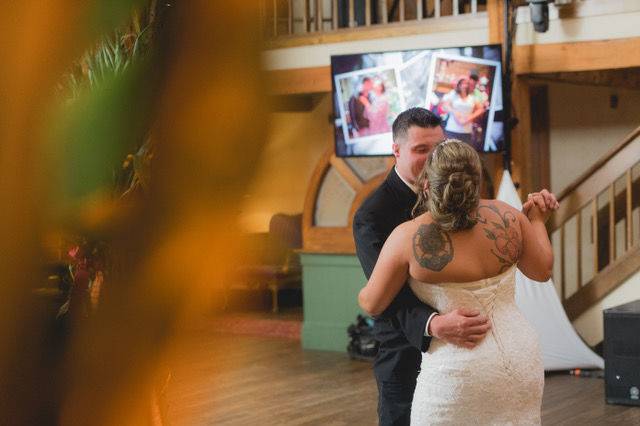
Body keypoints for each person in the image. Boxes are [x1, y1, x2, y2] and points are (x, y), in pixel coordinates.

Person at [353, 107, 558, 425]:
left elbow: (372, 300)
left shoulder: (406, 238)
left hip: (456, 369)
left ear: (429, 185)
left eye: (435, 149)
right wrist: (432, 324)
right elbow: (542, 270)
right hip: (433, 350)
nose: (431, 157)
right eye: (421, 149)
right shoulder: (506, 215)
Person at [440, 78, 484, 146]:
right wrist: (455, 112)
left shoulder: (472, 97)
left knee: (464, 154)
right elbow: (444, 105)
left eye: (466, 84)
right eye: (462, 83)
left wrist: (470, 117)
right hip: (452, 129)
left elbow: (481, 109)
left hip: (466, 131)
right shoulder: (453, 95)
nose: (464, 85)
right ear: (459, 85)